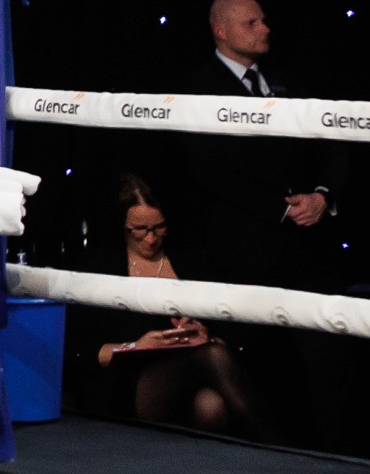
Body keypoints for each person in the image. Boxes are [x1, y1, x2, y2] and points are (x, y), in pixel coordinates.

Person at [169, 0, 334, 285]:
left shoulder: (291, 76)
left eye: (263, 21)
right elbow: (206, 168)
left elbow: (329, 141)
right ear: (221, 31)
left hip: (311, 247)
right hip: (243, 253)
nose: (265, 29)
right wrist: (282, 209)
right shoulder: (196, 87)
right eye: (251, 23)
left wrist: (321, 195)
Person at [82, 175, 267, 436]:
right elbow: (80, 351)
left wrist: (205, 335)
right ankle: (277, 445)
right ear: (122, 226)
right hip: (131, 381)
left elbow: (234, 327)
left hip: (193, 375)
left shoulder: (193, 261)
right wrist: (136, 347)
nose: (150, 238)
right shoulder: (100, 266)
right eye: (139, 229)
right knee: (212, 357)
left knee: (211, 406)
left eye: (158, 227)